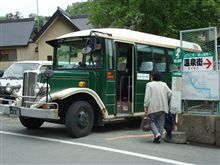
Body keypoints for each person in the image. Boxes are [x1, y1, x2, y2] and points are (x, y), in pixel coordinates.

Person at [144, 71, 172, 143]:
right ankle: (158, 138)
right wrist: (166, 99)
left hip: (153, 107)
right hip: (163, 107)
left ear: (153, 77)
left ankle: (157, 134)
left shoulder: (149, 84)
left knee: (151, 121)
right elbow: (170, 93)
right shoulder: (164, 84)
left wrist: (146, 106)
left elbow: (147, 97)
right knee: (160, 123)